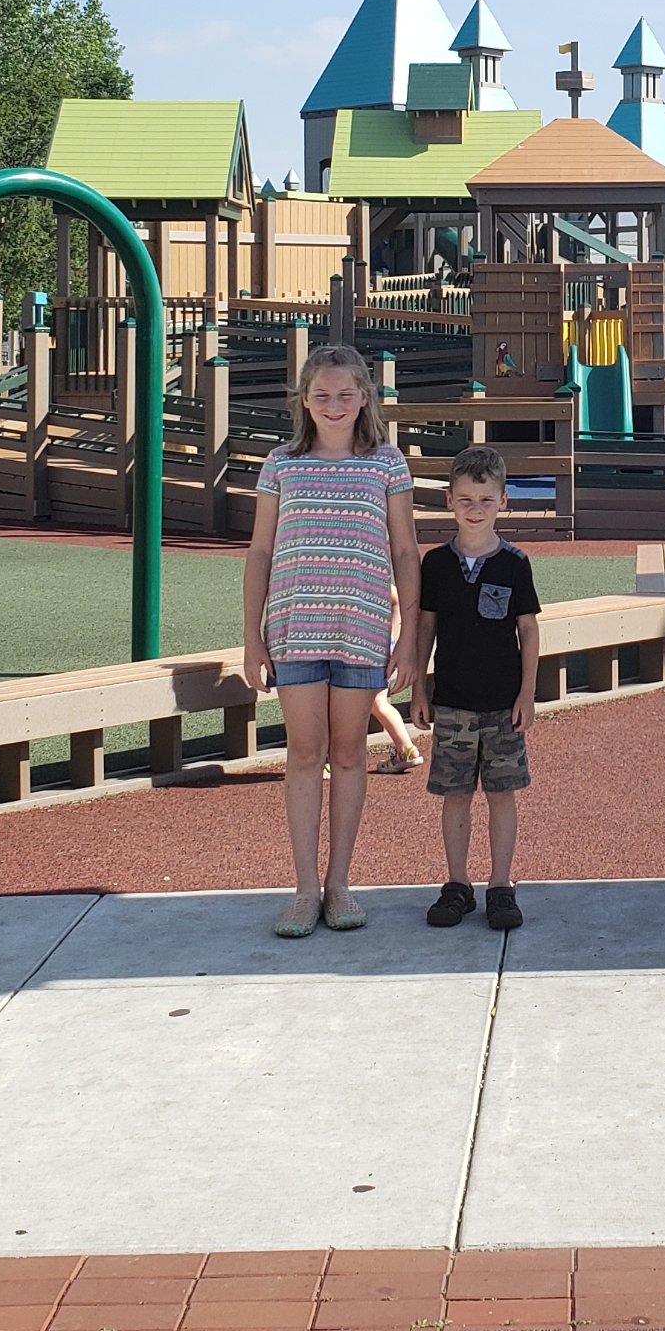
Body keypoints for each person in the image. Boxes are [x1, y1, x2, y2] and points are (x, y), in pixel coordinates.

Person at [242, 345, 417, 938]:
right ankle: (303, 890)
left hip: (363, 629)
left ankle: (340, 885)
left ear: (365, 398)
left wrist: (411, 636)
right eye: (322, 395)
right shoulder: (280, 464)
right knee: (303, 755)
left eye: (346, 394)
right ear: (305, 401)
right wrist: (251, 637)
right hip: (293, 631)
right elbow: (261, 550)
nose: (335, 405)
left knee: (348, 755)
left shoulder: (388, 464)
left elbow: (404, 551)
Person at [407, 444, 541, 931]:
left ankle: (501, 885)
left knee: (503, 794)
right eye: (466, 499)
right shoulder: (437, 564)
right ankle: (457, 884)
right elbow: (425, 628)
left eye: (485, 499)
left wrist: (527, 693)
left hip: (503, 706)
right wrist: (419, 689)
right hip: (452, 704)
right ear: (449, 501)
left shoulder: (514, 563)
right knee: (456, 795)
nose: (475, 509)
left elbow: (528, 630)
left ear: (504, 501)